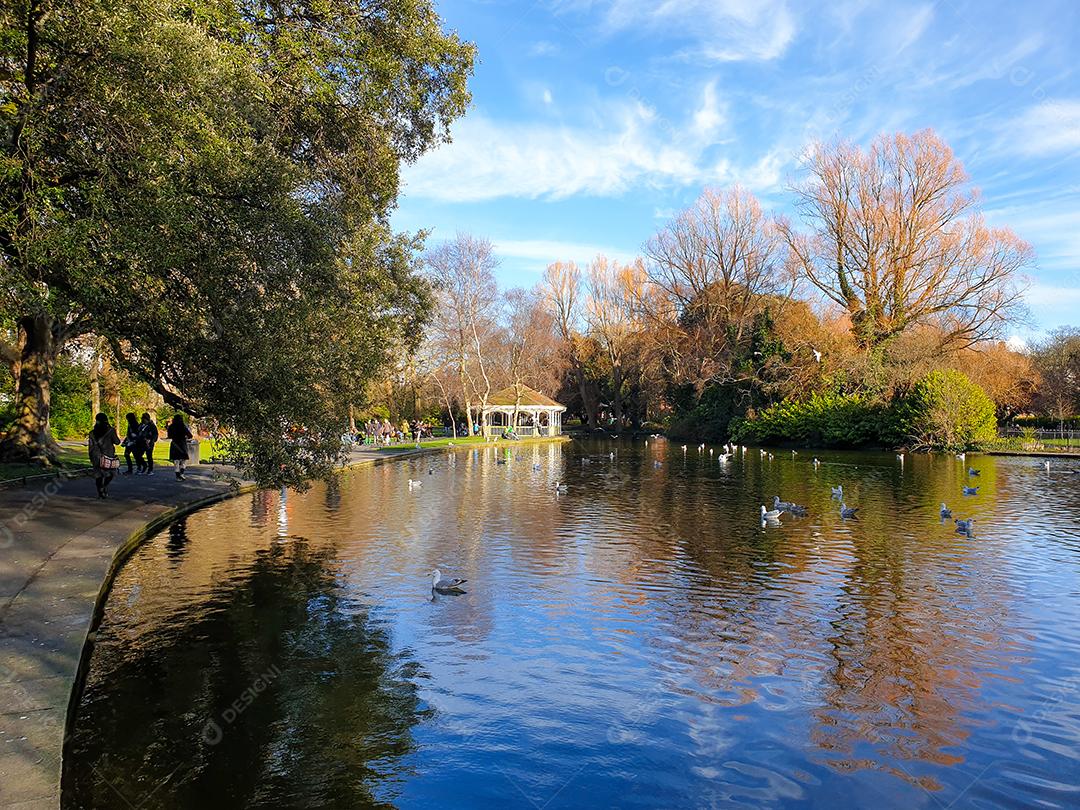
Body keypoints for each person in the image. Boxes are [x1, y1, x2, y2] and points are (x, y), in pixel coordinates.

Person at [88, 413, 121, 498]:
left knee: (98, 475)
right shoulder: (111, 431)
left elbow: (90, 446)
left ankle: (100, 492)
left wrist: (91, 456)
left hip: (96, 456)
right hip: (108, 456)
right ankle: (104, 486)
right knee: (111, 474)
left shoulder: (92, 433)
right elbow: (117, 442)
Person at [167, 414, 193, 480]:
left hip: (174, 444)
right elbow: (190, 435)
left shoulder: (171, 427)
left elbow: (169, 436)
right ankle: (182, 473)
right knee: (184, 459)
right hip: (182, 444)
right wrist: (185, 437)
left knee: (176, 461)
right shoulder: (182, 426)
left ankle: (177, 476)